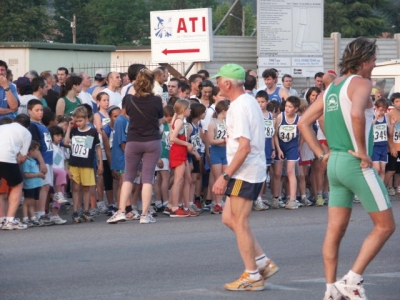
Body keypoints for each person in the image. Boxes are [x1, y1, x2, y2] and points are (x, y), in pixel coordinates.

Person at [298, 37, 395, 300]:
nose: (374, 65)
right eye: (373, 60)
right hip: (355, 162)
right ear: (364, 62)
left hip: (335, 163)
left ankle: (330, 288)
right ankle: (351, 280)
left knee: (335, 230)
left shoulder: (331, 87)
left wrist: (321, 153)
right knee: (386, 226)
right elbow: (355, 114)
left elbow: (304, 121)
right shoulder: (362, 82)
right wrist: (363, 152)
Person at [212, 64, 279, 291]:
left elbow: (244, 147)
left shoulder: (238, 107)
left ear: (227, 83)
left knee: (239, 222)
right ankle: (262, 263)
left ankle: (252, 276)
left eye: (219, 80)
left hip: (245, 171)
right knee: (229, 219)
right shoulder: (248, 100)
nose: (217, 84)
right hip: (250, 170)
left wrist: (225, 176)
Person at [107, 68, 163, 224]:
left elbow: (125, 115)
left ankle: (121, 211)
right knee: (147, 178)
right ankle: (145, 214)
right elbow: (159, 120)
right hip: (152, 140)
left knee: (128, 177)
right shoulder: (157, 100)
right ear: (152, 83)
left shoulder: (128, 99)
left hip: (133, 140)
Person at [64, 106, 103, 223]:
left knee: (86, 188)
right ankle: (75, 211)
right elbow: (66, 143)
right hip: (75, 163)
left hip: (86, 164)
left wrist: (100, 163)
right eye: (76, 121)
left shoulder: (91, 132)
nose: (78, 123)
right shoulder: (74, 131)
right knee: (75, 188)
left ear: (86, 119)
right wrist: (69, 129)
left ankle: (86, 210)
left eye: (80, 120)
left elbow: (94, 147)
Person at [0, 114, 32, 230]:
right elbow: (21, 157)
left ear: (14, 121)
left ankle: (1, 219)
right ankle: (10, 220)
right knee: (17, 185)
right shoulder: (26, 132)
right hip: (6, 158)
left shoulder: (3, 127)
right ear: (28, 127)